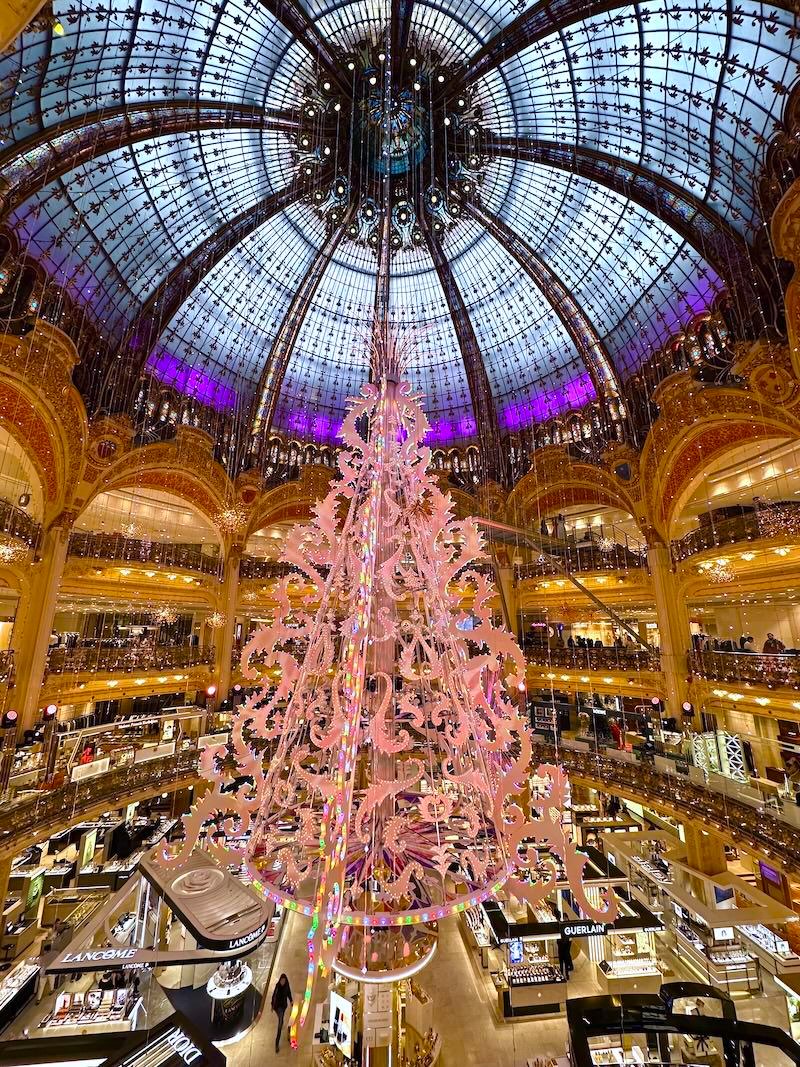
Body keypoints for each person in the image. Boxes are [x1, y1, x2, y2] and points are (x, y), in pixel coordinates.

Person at [272, 973, 293, 1052]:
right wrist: (272, 1006)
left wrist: (291, 1001)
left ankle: (284, 1027)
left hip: (283, 1006)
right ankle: (276, 1044)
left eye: (284, 980)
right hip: (278, 1008)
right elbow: (274, 996)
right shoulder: (277, 987)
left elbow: (289, 994)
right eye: (281, 980)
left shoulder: (286, 986)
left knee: (282, 1018)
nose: (282, 982)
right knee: (280, 1023)